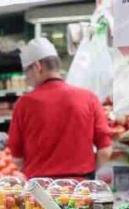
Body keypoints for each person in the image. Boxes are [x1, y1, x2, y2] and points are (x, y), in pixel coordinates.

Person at [7, 37, 111, 179]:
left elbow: (17, 159)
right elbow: (105, 151)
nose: (27, 78)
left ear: (38, 66)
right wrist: (87, 175)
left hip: (40, 192)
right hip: (81, 190)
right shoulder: (89, 98)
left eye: (27, 72)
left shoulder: (24, 104)